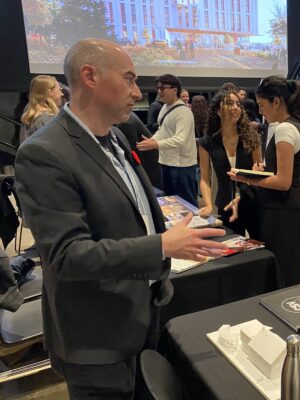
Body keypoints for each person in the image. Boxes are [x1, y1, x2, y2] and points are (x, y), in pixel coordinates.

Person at [14, 38, 227, 399]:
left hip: (142, 313)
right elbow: (67, 255)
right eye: (128, 79)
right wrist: (161, 245)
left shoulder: (112, 136)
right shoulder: (44, 153)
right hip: (96, 335)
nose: (137, 90)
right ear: (90, 76)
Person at [229, 76, 300, 287]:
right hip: (287, 206)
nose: (261, 111)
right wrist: (261, 173)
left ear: (277, 102)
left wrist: (247, 178)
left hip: (282, 208)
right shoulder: (297, 124)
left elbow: (283, 182)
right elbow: (284, 173)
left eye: (262, 105)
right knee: (287, 267)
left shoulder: (284, 129)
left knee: (282, 269)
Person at [199, 90, 262, 238]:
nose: (235, 107)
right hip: (225, 205)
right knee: (232, 252)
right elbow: (204, 179)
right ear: (218, 111)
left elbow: (259, 174)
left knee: (261, 246)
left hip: (252, 202)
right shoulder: (207, 143)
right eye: (229, 103)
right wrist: (208, 205)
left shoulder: (251, 138)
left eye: (238, 104)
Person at [138, 74, 199, 206]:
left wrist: (156, 144)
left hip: (182, 165)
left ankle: (194, 227)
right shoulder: (165, 108)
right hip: (166, 162)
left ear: (175, 89)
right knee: (173, 203)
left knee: (188, 204)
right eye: (158, 88)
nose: (159, 91)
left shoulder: (183, 112)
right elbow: (162, 130)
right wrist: (152, 140)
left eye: (163, 88)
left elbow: (180, 140)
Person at [19, 75, 63, 143]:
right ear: (50, 92)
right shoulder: (48, 119)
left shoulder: (29, 112)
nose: (61, 94)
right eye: (59, 90)